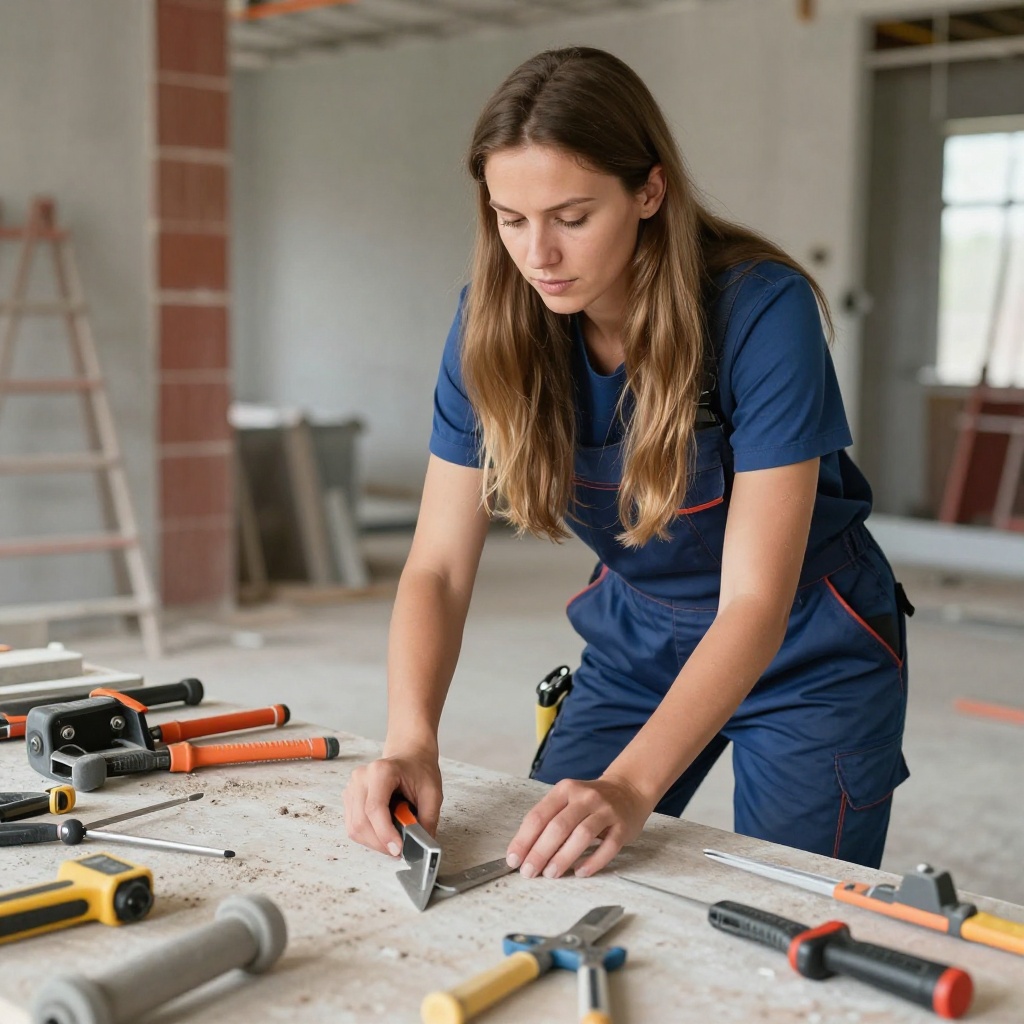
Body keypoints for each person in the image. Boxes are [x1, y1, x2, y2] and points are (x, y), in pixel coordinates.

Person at [343, 45, 913, 878]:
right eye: (510, 219)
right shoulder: (490, 327)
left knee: (793, 911)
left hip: (806, 640)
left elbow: (755, 600)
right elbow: (434, 566)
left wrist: (632, 785)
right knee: (541, 868)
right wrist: (411, 737)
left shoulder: (761, 312)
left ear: (649, 190)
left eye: (572, 217)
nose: (538, 254)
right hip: (639, 634)